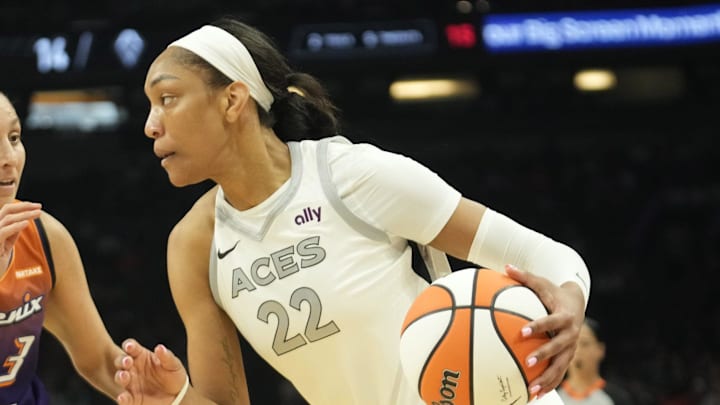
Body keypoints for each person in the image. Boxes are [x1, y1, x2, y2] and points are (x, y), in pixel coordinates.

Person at [113, 17, 591, 405]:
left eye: (168, 99)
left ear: (233, 99)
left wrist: (569, 301)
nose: (151, 125)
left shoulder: (350, 176)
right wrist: (176, 399)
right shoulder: (193, 244)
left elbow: (544, 255)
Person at [0, 91, 126, 404]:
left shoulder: (45, 236)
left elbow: (100, 360)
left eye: (14, 137)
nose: (8, 157)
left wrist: (169, 393)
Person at [558, 318, 635, 405]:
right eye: (571, 344)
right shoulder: (551, 395)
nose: (577, 350)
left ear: (600, 349)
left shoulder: (617, 398)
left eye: (584, 344)